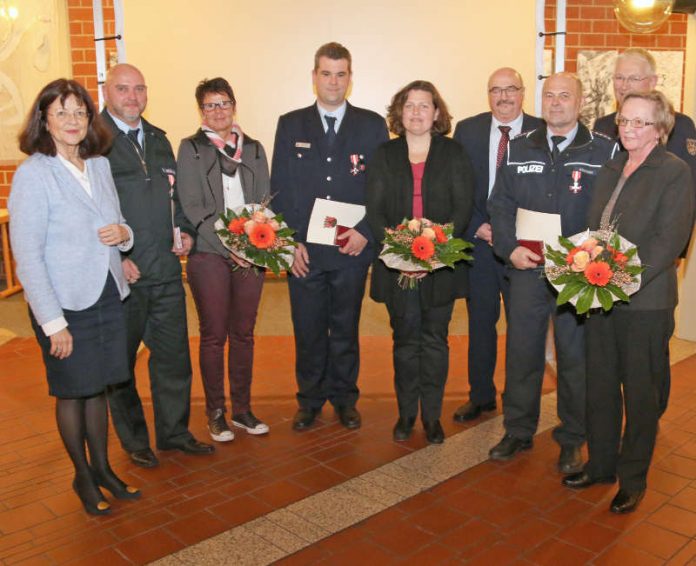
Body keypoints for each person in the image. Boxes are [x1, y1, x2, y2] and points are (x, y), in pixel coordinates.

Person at [9, 79, 140, 515]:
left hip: (105, 294)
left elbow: (120, 224)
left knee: (98, 389)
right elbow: (26, 255)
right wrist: (52, 322)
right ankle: (82, 478)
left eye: (80, 112)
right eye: (61, 112)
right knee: (73, 392)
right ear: (44, 119)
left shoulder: (98, 165)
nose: (72, 121)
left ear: (90, 119)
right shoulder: (34, 173)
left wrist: (124, 235)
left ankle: (103, 468)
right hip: (63, 304)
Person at [563, 91, 694, 512]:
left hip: (645, 301)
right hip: (601, 294)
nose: (630, 129)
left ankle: (633, 478)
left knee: (640, 392)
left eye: (641, 122)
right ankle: (600, 464)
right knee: (600, 385)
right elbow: (596, 226)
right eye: (624, 120)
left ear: (660, 129)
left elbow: (669, 241)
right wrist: (583, 264)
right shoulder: (613, 164)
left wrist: (620, 280)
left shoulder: (673, 171)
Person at [488, 72, 618, 472]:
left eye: (565, 96)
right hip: (527, 269)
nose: (556, 103)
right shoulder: (517, 147)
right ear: (540, 102)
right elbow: (500, 205)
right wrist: (509, 250)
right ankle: (518, 429)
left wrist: (594, 256)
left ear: (580, 104)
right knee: (522, 350)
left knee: (574, 355)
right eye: (549, 96)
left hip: (578, 273)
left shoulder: (604, 150)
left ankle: (572, 436)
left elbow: (613, 211)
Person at [271, 42, 389, 431]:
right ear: (314, 77)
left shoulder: (371, 125)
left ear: (350, 79)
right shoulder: (291, 124)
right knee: (307, 329)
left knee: (345, 327)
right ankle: (309, 400)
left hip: (350, 249)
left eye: (340, 74)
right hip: (305, 251)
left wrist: (367, 234)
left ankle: (344, 397)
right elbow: (280, 187)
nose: (333, 81)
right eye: (326, 73)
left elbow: (383, 188)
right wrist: (288, 243)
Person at [102, 64, 213, 468]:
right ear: (107, 91)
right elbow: (90, 212)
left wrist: (184, 231)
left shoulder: (160, 141)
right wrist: (117, 258)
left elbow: (177, 198)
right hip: (123, 278)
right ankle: (135, 440)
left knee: (173, 359)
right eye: (123, 89)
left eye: (139, 89)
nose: (132, 97)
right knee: (121, 366)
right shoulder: (94, 142)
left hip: (165, 272)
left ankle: (174, 432)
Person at [366, 81, 473, 443]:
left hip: (440, 266)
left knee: (435, 341)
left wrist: (433, 249)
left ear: (437, 113)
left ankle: (432, 416)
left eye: (424, 105)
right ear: (400, 112)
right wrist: (403, 252)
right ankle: (406, 414)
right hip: (398, 267)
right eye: (409, 105)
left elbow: (462, 208)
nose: (416, 112)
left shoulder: (454, 153)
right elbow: (375, 211)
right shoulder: (384, 154)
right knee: (405, 340)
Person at [593, 48, 696, 415]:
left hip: (648, 274)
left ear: (652, 83)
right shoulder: (604, 126)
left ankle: (651, 420)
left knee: (645, 374)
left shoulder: (680, 127)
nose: (623, 85)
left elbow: (679, 211)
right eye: (619, 79)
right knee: (605, 375)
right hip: (605, 271)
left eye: (633, 79)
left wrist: (668, 260)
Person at [177, 77, 271, 441]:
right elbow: (193, 204)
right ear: (202, 111)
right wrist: (231, 245)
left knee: (244, 334)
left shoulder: (256, 149)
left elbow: (264, 201)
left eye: (224, 103)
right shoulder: (192, 149)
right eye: (210, 105)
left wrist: (251, 247)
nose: (218, 111)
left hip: (252, 252)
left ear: (234, 106)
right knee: (214, 335)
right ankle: (216, 412)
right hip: (209, 254)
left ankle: (243, 410)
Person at [452, 68, 543, 423]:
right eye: (496, 90)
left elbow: (544, 193)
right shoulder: (468, 130)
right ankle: (481, 396)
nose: (503, 97)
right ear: (487, 94)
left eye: (510, 90)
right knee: (480, 324)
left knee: (524, 328)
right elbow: (459, 187)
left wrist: (511, 235)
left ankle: (520, 400)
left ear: (522, 93)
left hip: (524, 248)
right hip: (481, 245)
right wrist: (479, 227)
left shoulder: (541, 130)